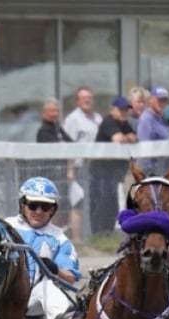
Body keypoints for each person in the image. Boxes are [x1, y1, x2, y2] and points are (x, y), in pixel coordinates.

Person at [8, 177, 81, 319]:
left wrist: (54, 268)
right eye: (33, 205)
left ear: (52, 210)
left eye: (45, 207)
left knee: (47, 286)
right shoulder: (5, 226)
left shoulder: (60, 239)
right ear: (23, 205)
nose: (39, 211)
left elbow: (70, 278)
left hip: (30, 301)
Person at [88, 95, 138, 235]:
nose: (124, 113)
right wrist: (127, 138)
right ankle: (98, 235)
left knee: (112, 204)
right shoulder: (108, 121)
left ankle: (107, 234)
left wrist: (127, 138)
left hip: (112, 175)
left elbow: (134, 137)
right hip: (100, 174)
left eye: (126, 110)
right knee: (100, 205)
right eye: (121, 110)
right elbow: (118, 139)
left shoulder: (124, 123)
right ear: (113, 110)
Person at [62, 86, 101, 241]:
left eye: (89, 98)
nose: (87, 100)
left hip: (95, 168)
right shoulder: (73, 119)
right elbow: (68, 145)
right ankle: (77, 239)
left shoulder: (97, 118)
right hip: (78, 168)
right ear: (78, 101)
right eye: (84, 98)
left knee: (95, 201)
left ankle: (93, 236)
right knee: (78, 202)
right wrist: (69, 169)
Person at [35, 97, 74, 229]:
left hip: (61, 175)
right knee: (53, 203)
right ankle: (52, 228)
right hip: (50, 175)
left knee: (64, 203)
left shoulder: (57, 128)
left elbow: (71, 143)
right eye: (51, 111)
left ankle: (63, 229)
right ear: (44, 113)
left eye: (56, 111)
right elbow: (53, 150)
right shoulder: (44, 130)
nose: (55, 114)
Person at [136, 85, 169, 176]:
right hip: (151, 172)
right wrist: (149, 173)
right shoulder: (146, 119)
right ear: (151, 100)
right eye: (159, 100)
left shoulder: (162, 118)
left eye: (165, 100)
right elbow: (144, 146)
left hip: (163, 169)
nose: (162, 103)